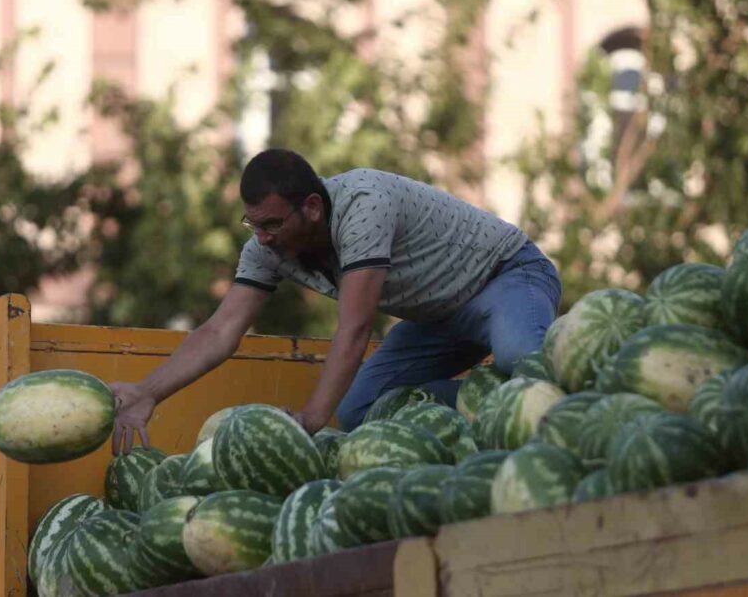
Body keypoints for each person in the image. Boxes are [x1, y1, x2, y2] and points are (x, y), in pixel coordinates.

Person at [110, 148, 561, 453]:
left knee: (523, 358)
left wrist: (309, 419)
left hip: (506, 276)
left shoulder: (363, 204)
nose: (262, 239)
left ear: (311, 207)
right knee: (360, 411)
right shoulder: (268, 246)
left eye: (270, 224)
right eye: (253, 226)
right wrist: (148, 393)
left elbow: (355, 328)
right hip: (439, 319)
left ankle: (574, 404)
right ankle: (486, 405)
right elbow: (221, 329)